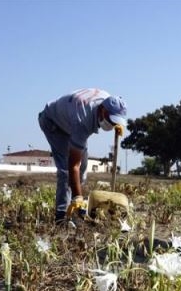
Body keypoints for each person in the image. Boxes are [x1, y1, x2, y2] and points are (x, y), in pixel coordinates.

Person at [38, 88, 127, 225]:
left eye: (116, 121)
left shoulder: (108, 100)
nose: (112, 124)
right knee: (66, 171)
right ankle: (61, 216)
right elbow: (73, 165)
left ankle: (79, 209)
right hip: (53, 122)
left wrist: (116, 124)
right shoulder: (82, 121)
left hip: (70, 119)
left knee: (83, 167)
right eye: (112, 121)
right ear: (102, 111)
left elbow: (80, 165)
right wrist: (77, 196)